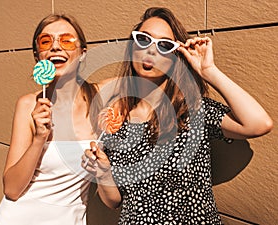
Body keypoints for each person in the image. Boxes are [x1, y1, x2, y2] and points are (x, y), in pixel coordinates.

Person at [82, 7, 273, 224]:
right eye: (144, 40)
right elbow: (114, 201)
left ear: (175, 58)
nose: (152, 50)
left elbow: (259, 124)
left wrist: (209, 71)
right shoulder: (117, 119)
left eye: (164, 45)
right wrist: (103, 172)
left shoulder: (192, 111)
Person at [0, 13, 103, 225]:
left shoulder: (101, 96)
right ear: (38, 56)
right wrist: (39, 139)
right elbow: (12, 190)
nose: (55, 47)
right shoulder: (28, 104)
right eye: (46, 41)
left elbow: (148, 78)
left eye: (67, 40)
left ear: (83, 53)